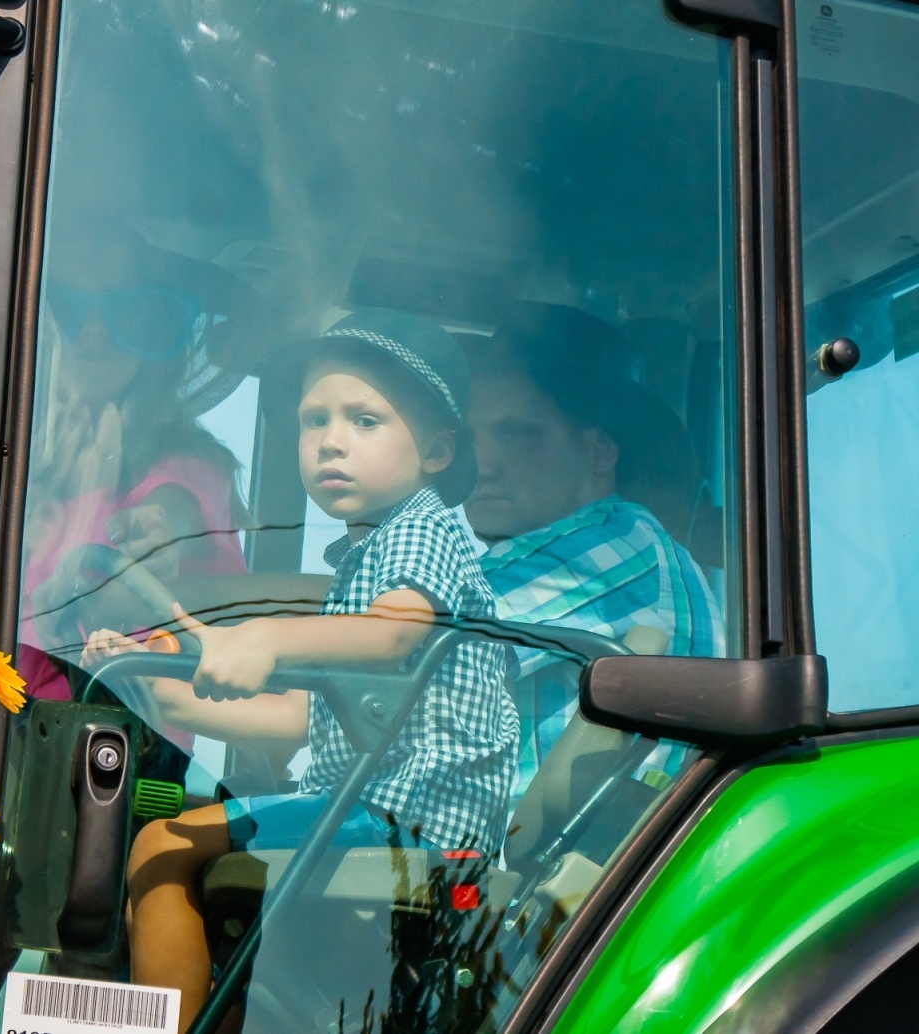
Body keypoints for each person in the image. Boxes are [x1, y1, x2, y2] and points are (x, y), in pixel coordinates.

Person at [83, 311, 518, 1029]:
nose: (331, 441)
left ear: (438, 449)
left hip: (411, 817)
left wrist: (266, 637)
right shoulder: (368, 556)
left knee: (162, 845)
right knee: (183, 841)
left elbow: (389, 636)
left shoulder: (423, 530)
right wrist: (164, 693)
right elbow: (298, 717)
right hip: (375, 806)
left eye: (365, 420)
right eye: (313, 421)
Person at [463, 304, 724, 799]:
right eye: (471, 438)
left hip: (540, 867)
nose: (483, 465)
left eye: (518, 434)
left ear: (601, 451)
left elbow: (401, 640)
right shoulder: (619, 544)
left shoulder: (613, 545)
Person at [18, 232, 258, 701]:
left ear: (158, 336)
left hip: (126, 744)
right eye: (68, 310)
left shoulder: (188, 461)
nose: (92, 330)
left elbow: (173, 509)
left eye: (124, 312)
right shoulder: (22, 471)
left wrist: (160, 531)